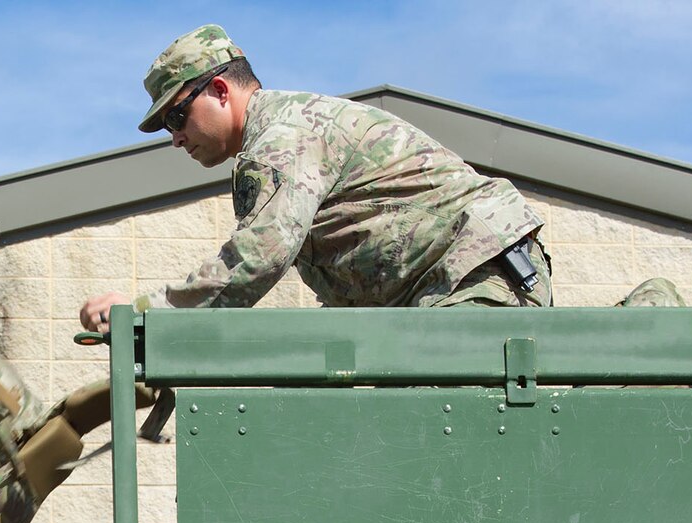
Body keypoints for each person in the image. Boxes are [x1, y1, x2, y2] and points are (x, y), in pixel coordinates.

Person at [80, 24, 552, 332]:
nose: (176, 138)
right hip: (441, 293)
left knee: (437, 438)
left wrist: (146, 315)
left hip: (475, 279)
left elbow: (256, 260)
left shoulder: (281, 140)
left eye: (177, 117)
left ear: (220, 90)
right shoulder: (281, 136)